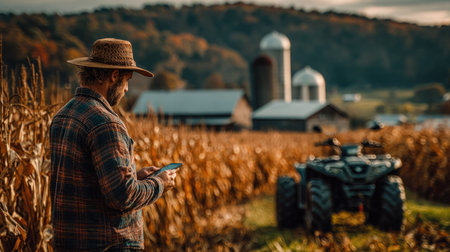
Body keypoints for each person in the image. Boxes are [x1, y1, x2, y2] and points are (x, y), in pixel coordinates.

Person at [49, 38, 177, 251]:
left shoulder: (63, 115)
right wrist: (160, 183)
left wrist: (135, 177)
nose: (127, 89)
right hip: (108, 244)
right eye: (127, 80)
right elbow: (122, 196)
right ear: (114, 76)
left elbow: (87, 182)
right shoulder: (105, 123)